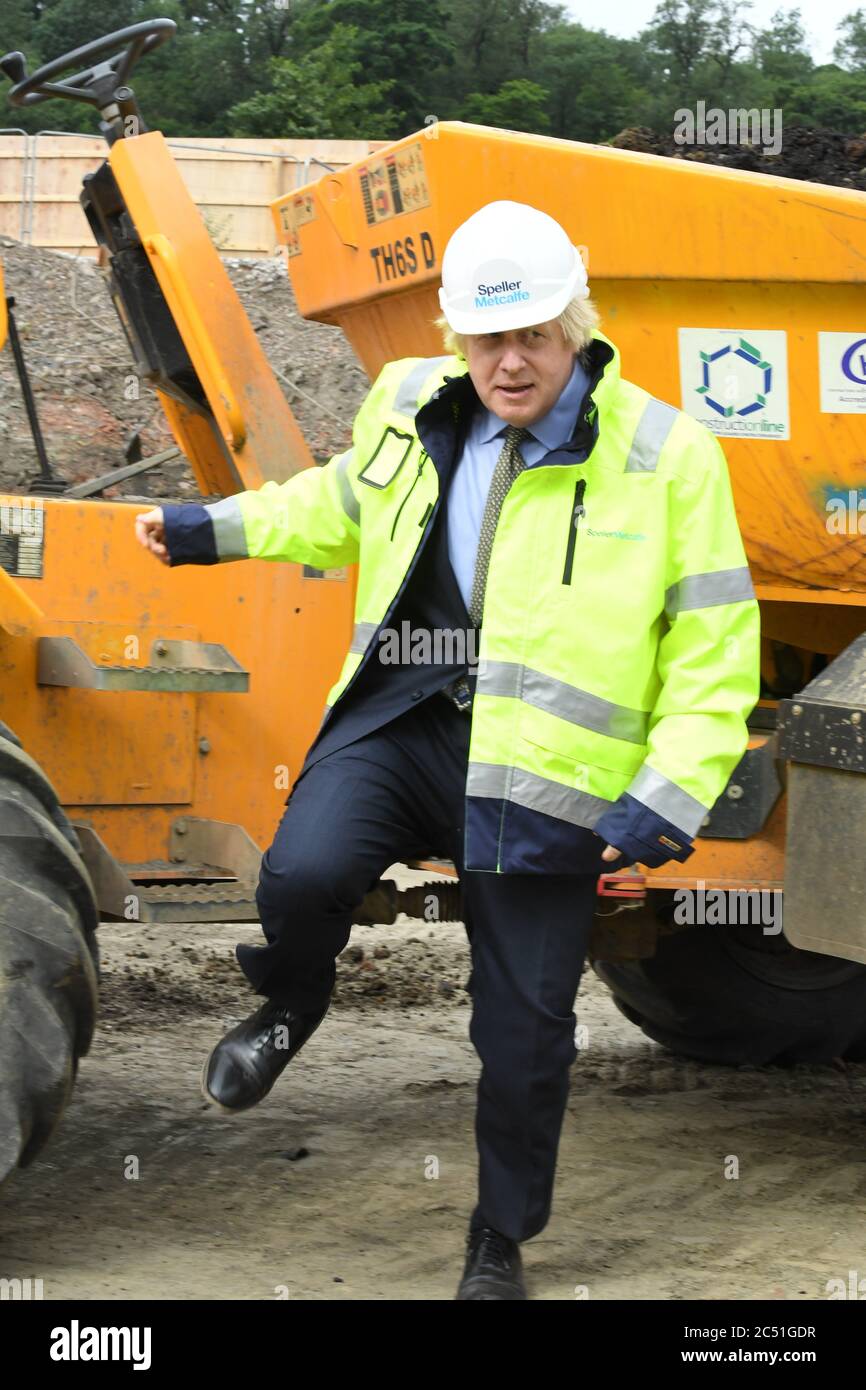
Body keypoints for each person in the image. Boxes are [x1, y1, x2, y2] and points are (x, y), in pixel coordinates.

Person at [135, 199, 760, 1300]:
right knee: (303, 872)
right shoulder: (407, 402)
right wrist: (206, 529)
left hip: (545, 775)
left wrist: (657, 808)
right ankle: (290, 1001)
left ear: (575, 326)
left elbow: (712, 654)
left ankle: (495, 1242)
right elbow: (336, 506)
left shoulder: (666, 458)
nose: (507, 363)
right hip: (407, 721)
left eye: (530, 337)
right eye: (485, 337)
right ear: (452, 335)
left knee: (521, 1037)